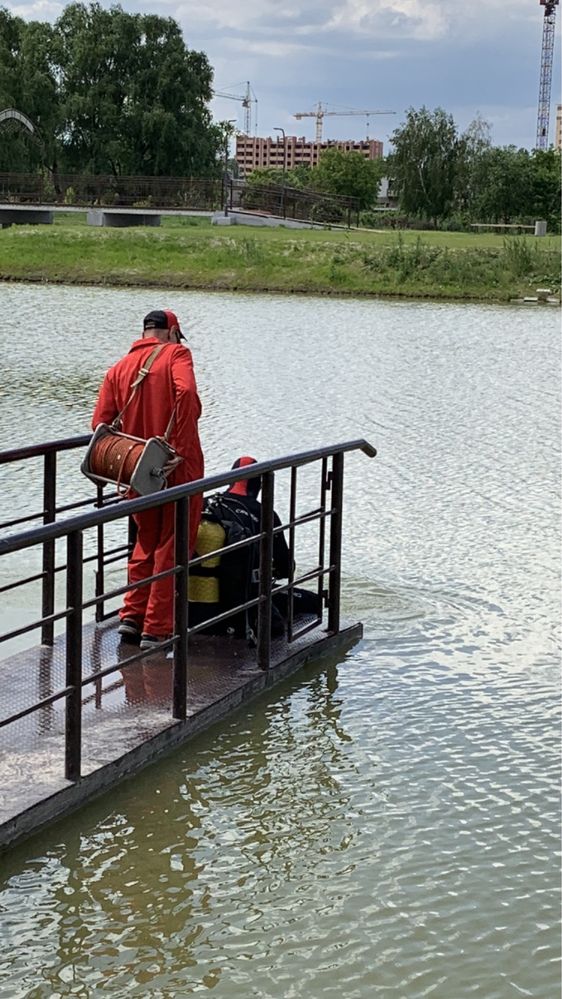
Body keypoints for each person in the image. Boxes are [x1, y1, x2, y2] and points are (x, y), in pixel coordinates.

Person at [92, 309, 204, 649]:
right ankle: (156, 628)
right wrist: (180, 448)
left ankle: (131, 617)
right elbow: (186, 392)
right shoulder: (176, 354)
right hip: (176, 469)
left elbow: (100, 424)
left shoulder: (119, 368)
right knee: (173, 543)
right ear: (171, 332)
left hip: (135, 470)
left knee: (145, 542)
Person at [188, 456, 320, 639]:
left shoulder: (205, 505)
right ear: (259, 485)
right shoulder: (265, 513)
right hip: (242, 604)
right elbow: (285, 569)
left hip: (194, 607)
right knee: (313, 602)